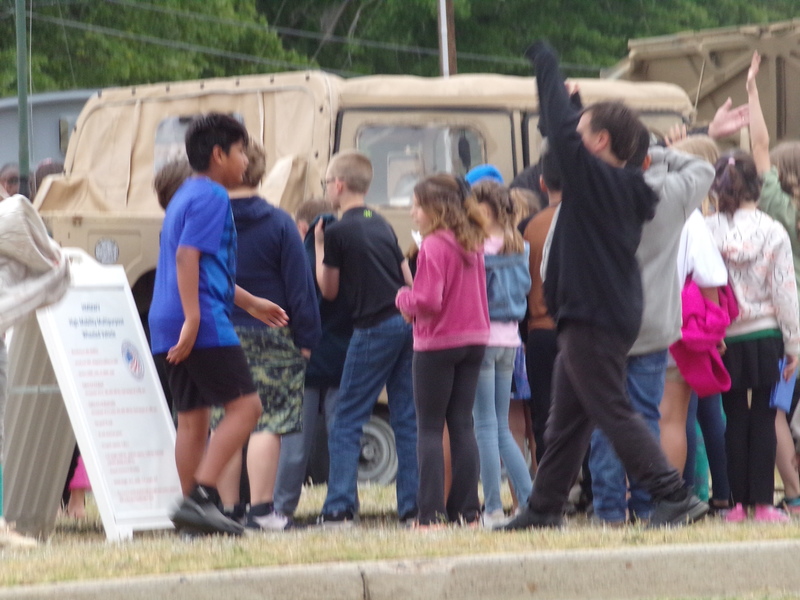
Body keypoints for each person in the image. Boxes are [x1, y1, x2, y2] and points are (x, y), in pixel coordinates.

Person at [503, 41, 707, 530]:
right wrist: (575, 105)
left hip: (593, 316)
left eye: (583, 131)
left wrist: (546, 65)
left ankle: (673, 494)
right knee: (567, 423)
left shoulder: (598, 182)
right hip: (602, 313)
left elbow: (559, 130)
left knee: (612, 410)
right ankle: (544, 507)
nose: (571, 136)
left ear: (599, 143)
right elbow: (567, 132)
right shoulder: (622, 184)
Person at [148, 113, 288, 536]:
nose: (246, 160)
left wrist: (251, 303)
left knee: (193, 419)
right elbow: (186, 257)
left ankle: (192, 522)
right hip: (201, 320)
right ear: (218, 154)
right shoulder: (212, 196)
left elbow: (203, 267)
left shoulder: (184, 195)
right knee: (247, 407)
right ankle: (202, 498)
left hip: (166, 318)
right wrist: (194, 318)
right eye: (241, 151)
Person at [589, 131, 715, 525]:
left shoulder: (591, 200)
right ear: (646, 159)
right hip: (657, 324)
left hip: (604, 324)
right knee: (651, 417)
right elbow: (703, 168)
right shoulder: (674, 202)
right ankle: (648, 504)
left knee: (606, 417)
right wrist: (659, 153)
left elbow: (551, 266)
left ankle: (609, 508)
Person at [215, 141, 321, 531]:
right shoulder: (279, 222)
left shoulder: (208, 220)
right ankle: (261, 511)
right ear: (259, 173)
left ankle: (227, 510)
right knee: (268, 421)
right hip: (272, 334)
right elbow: (300, 288)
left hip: (218, 332)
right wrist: (307, 339)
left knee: (225, 421)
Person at [314, 150, 418, 526]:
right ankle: (412, 505)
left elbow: (328, 290)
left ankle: (339, 506)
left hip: (373, 327)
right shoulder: (382, 223)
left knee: (347, 418)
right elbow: (408, 279)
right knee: (407, 417)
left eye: (326, 182)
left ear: (339, 185)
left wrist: (319, 246)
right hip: (405, 323)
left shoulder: (337, 231)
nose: (326, 188)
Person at [396, 174, 489, 526]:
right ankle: (468, 510)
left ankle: (430, 513)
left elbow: (427, 300)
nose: (412, 213)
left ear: (435, 209)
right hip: (474, 339)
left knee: (430, 429)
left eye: (417, 206)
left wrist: (402, 298)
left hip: (437, 343)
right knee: (463, 424)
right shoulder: (472, 241)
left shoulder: (433, 245)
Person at [739, 50, 800, 518]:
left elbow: (759, 146)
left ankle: (794, 493)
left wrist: (753, 92)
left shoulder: (779, 208)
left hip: (787, 325)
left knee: (777, 409)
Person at [273, 198, 354, 521]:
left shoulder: (295, 259)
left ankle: (282, 508)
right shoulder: (348, 257)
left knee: (295, 444)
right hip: (342, 358)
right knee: (342, 439)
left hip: (303, 359)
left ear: (303, 227)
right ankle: (342, 505)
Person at [467, 175, 532, 528]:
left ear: (485, 210)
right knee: (502, 428)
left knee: (484, 427)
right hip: (511, 340)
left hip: (483, 338)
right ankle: (530, 501)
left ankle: (492, 507)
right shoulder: (518, 245)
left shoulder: (477, 248)